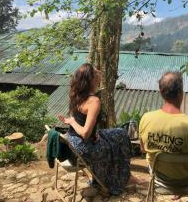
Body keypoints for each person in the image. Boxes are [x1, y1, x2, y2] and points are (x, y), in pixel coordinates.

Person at [58, 63, 141, 195]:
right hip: (83, 147)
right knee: (114, 144)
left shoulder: (76, 94)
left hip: (72, 140)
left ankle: (126, 175)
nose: (99, 72)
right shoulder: (94, 101)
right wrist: (72, 121)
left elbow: (83, 124)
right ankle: (122, 178)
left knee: (121, 133)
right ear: (91, 79)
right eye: (96, 72)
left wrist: (84, 129)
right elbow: (85, 133)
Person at [139, 71, 188, 202]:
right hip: (186, 182)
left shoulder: (146, 118)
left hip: (158, 179)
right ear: (181, 93)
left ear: (161, 93)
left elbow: (143, 149)